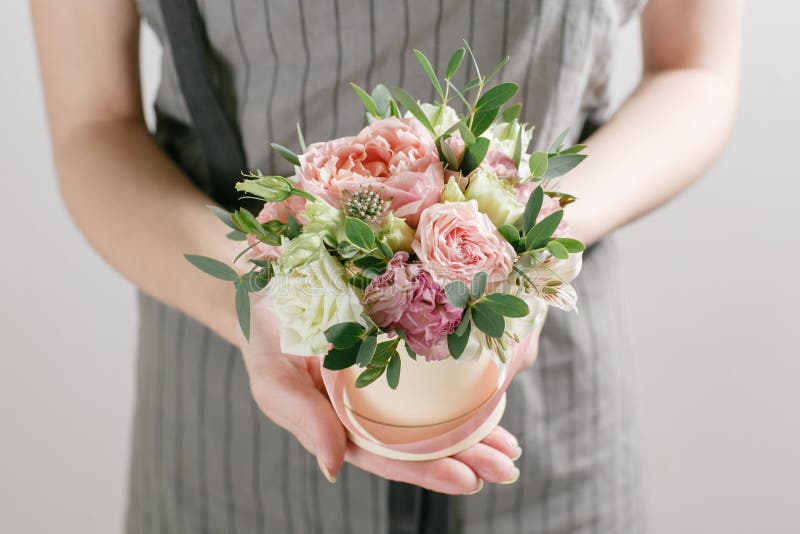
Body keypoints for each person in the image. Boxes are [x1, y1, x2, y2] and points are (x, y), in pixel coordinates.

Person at [31, 0, 742, 532]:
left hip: (547, 428)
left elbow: (695, 66)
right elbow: (93, 123)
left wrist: (529, 242)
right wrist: (259, 295)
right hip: (228, 429)